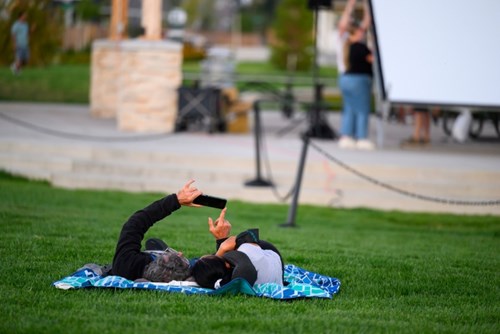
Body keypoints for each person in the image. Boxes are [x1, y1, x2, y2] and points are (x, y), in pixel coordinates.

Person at [110, 179, 232, 283]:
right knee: (205, 262)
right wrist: (222, 241)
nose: (180, 252)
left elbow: (136, 223)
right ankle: (161, 251)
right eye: (180, 257)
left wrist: (176, 200)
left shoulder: (125, 265)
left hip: (149, 262)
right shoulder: (192, 274)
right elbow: (218, 270)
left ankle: (158, 251)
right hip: (185, 267)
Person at [192, 228, 284, 289]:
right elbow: (250, 234)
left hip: (274, 272)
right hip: (273, 256)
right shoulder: (244, 251)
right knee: (241, 240)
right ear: (227, 264)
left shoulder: (226, 283)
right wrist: (222, 248)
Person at [337, 0, 375, 150]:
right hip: (358, 78)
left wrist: (367, 6)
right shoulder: (353, 44)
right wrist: (350, 6)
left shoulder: (347, 44)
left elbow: (365, 23)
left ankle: (346, 136)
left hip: (345, 78)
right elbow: (346, 24)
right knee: (361, 109)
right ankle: (360, 137)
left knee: (349, 108)